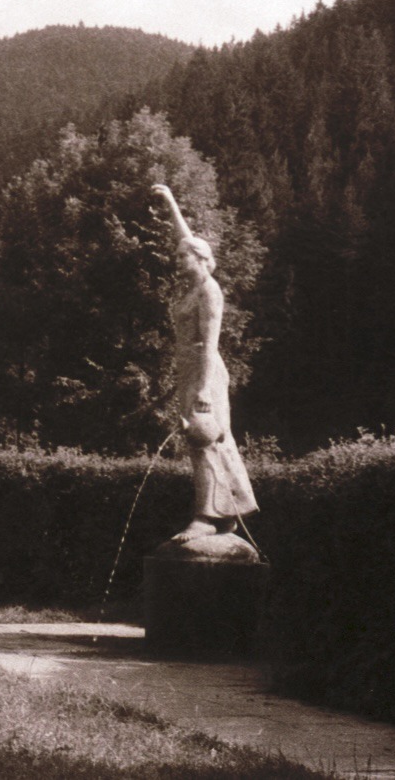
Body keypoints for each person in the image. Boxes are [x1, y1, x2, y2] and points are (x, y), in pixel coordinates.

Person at [152, 183, 258, 542]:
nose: (178, 259)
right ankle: (228, 513)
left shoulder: (209, 291)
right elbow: (186, 238)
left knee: (205, 439)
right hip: (190, 370)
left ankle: (207, 515)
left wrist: (202, 390)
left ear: (200, 258)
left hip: (205, 371)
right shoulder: (194, 287)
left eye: (184, 257)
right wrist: (170, 203)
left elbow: (211, 343)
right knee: (209, 441)